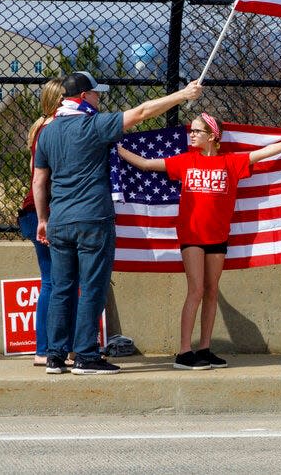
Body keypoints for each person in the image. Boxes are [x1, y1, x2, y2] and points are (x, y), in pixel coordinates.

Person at [33, 71, 202, 375]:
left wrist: (43, 218)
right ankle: (85, 354)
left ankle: (55, 356)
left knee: (61, 288)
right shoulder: (94, 124)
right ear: (84, 97)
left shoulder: (48, 131)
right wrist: (182, 95)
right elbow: (141, 112)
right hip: (93, 218)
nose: (100, 98)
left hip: (59, 219)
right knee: (93, 287)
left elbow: (39, 179)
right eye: (97, 93)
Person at [117, 113, 281, 370]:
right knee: (195, 290)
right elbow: (147, 164)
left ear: (212, 136)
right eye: (192, 131)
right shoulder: (186, 160)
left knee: (210, 291)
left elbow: (265, 153)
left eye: (197, 131)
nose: (192, 135)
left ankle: (204, 348)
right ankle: (184, 352)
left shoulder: (230, 162)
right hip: (192, 236)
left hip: (218, 237)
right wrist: (117, 148)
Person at [17, 79, 65, 366]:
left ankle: (47, 348)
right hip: (42, 211)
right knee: (53, 281)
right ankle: (45, 348)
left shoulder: (42, 128)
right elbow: (42, 180)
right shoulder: (50, 130)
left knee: (54, 280)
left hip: (39, 210)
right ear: (57, 101)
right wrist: (44, 217)